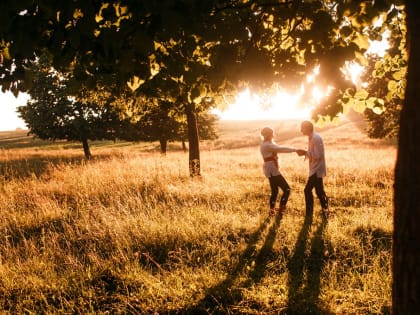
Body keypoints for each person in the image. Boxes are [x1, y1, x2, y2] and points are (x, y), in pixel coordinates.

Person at [260, 126, 298, 216]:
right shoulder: (267, 145)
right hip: (272, 169)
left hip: (270, 169)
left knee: (275, 191)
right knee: (287, 189)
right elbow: (281, 149)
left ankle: (272, 211)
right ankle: (281, 210)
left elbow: (278, 148)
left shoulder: (267, 143)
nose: (271, 135)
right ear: (269, 135)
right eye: (270, 134)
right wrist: (295, 150)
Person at [297, 120, 329, 219]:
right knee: (319, 191)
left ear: (308, 128)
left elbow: (318, 155)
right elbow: (314, 154)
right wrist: (306, 153)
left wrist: (305, 153)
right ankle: (326, 211)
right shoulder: (311, 138)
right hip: (315, 168)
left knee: (307, 190)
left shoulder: (316, 138)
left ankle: (309, 214)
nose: (301, 130)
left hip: (317, 169)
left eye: (302, 128)